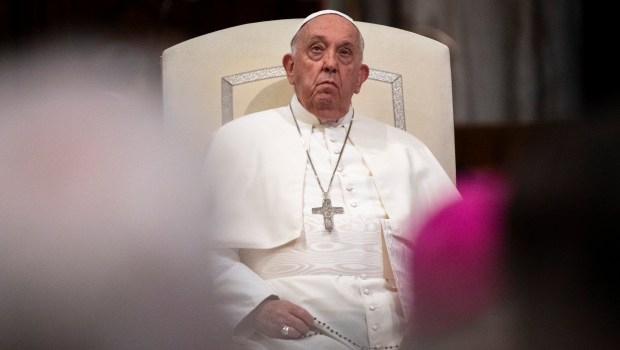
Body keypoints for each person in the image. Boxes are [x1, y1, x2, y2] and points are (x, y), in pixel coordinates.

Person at [203, 10, 459, 349]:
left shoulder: (406, 150)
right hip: (280, 341)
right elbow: (195, 249)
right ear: (291, 68)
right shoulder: (237, 141)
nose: (330, 64)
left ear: (360, 77)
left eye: (345, 53)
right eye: (316, 49)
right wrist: (256, 306)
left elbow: (457, 247)